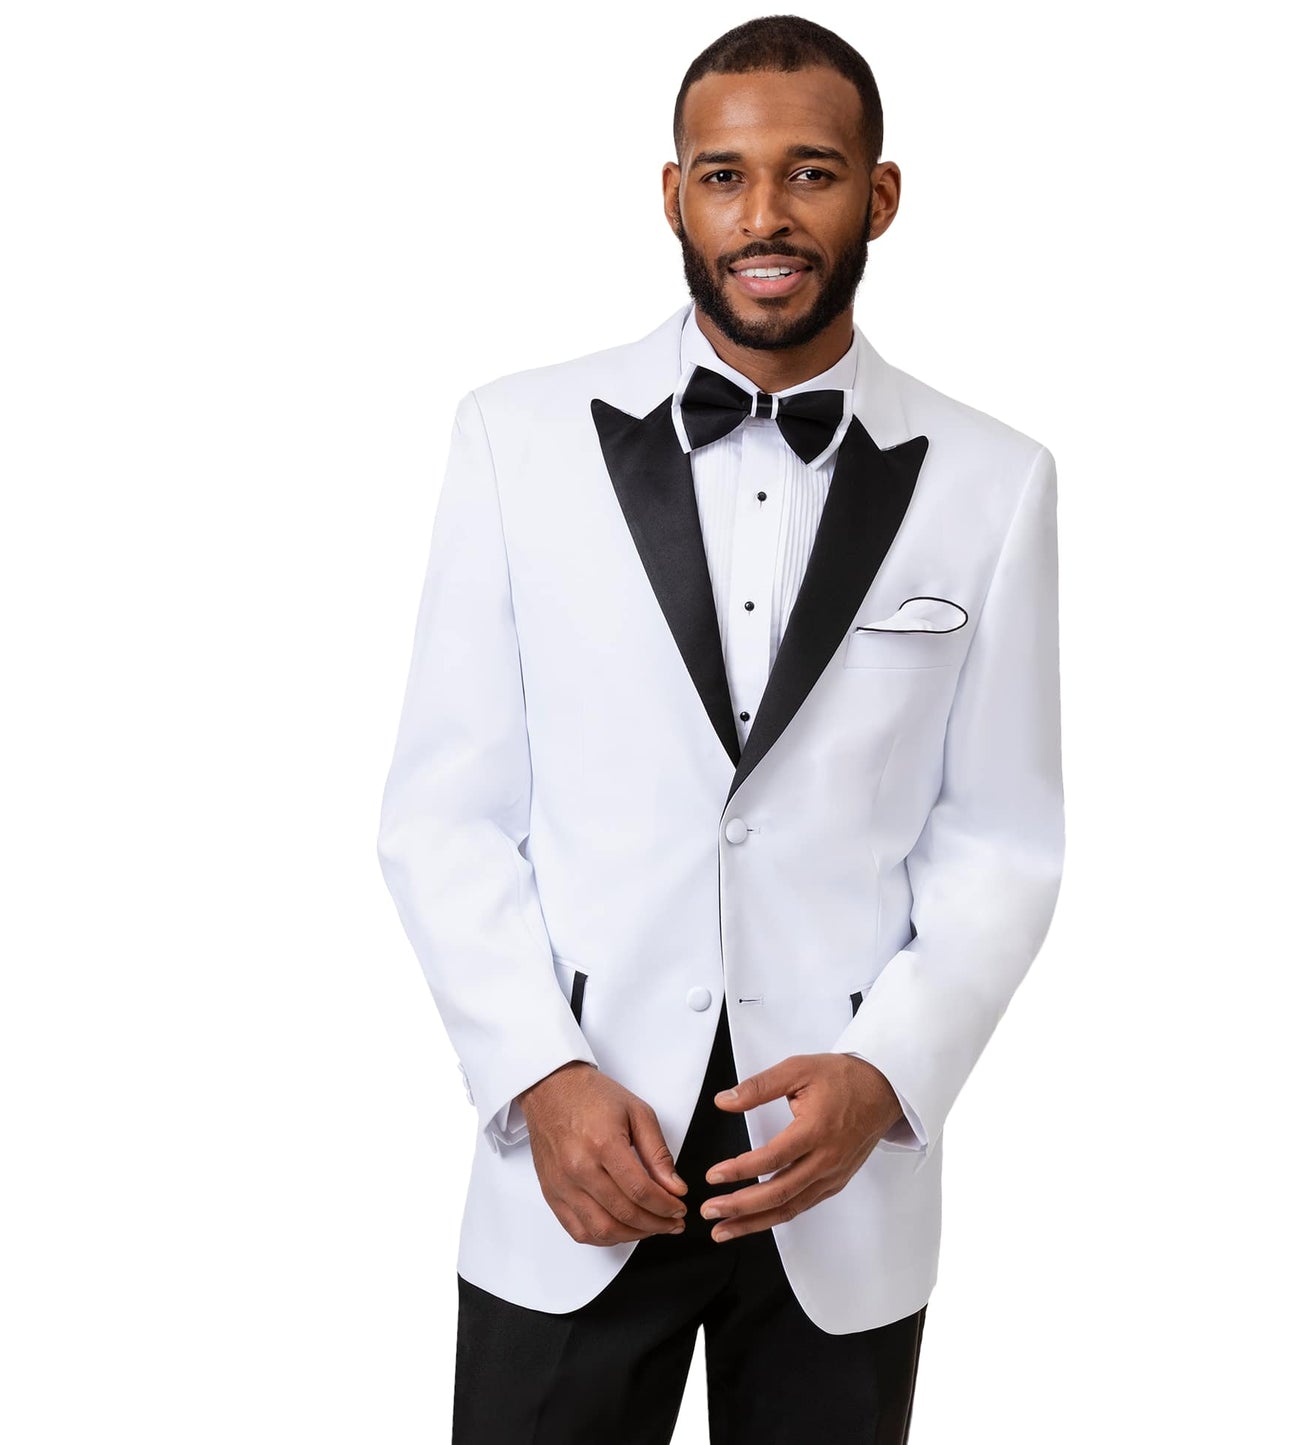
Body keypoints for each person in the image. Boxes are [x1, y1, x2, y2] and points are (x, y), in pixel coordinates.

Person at [376, 15, 1064, 1443]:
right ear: (672, 192)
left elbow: (1000, 833)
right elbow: (440, 808)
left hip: (834, 1176)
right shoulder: (512, 437)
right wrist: (537, 1074)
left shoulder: (995, 482)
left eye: (809, 173)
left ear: (877, 195)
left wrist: (886, 1075)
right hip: (572, 1155)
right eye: (721, 174)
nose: (762, 216)